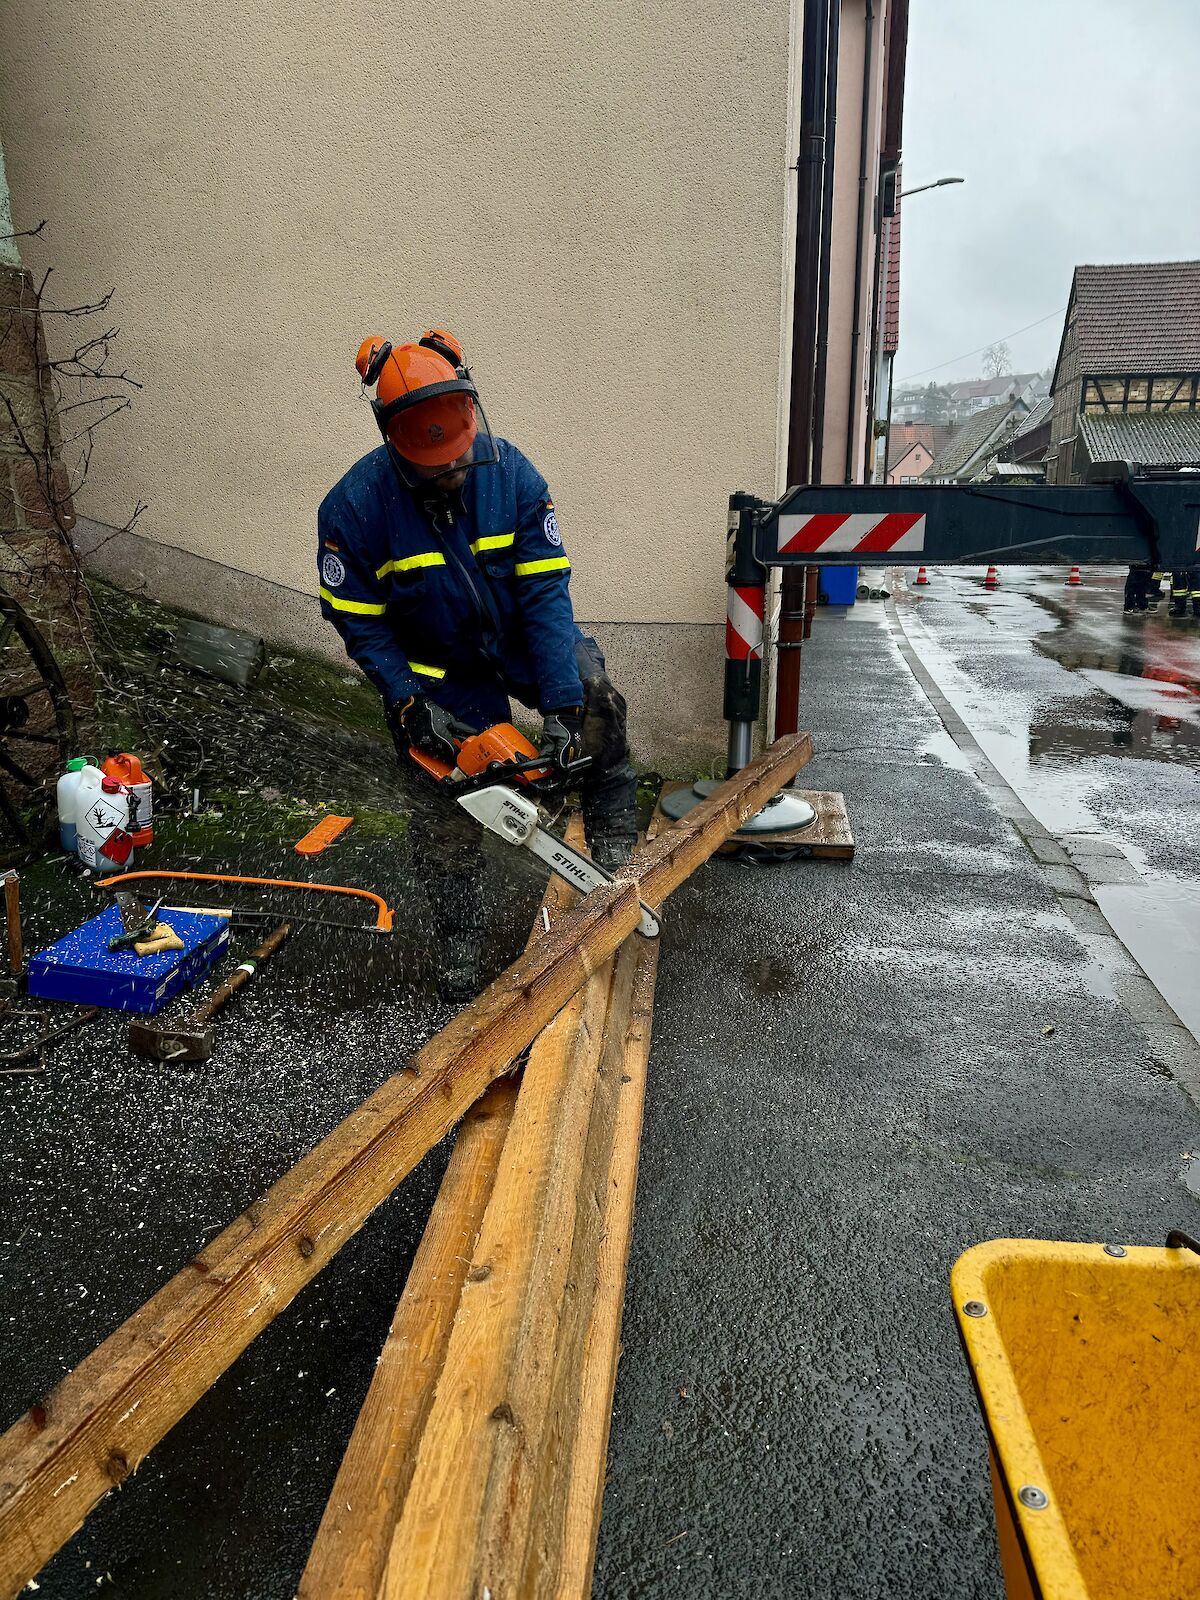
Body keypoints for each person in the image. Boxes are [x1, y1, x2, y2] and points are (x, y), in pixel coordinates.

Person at [317, 328, 638, 997]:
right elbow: (360, 624)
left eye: (458, 455)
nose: (452, 470)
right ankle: (460, 934)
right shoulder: (353, 511)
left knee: (592, 694)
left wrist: (559, 705)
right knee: (443, 804)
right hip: (438, 669)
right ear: (396, 444)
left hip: (519, 638)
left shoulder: (513, 476)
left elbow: (546, 593)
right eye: (436, 464)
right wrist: (406, 700)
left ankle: (609, 812)